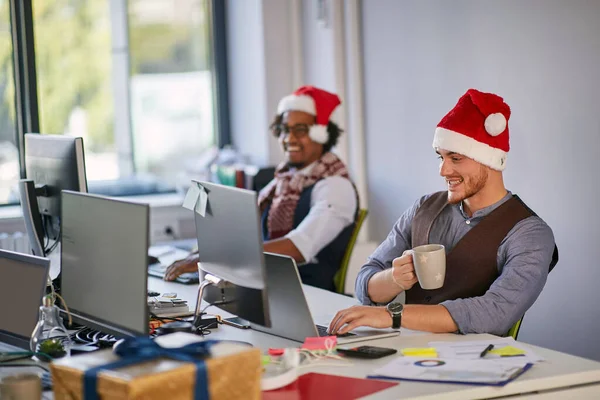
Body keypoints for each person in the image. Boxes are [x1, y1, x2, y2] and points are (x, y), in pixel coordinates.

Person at [328, 88, 558, 336]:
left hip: (473, 365)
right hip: (407, 351)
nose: (443, 170)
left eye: (456, 158)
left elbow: (494, 313)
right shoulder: (423, 209)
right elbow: (365, 283)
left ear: (489, 160)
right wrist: (394, 278)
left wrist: (391, 315)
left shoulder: (530, 233)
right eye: (441, 157)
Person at [165, 85, 359, 291]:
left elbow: (299, 247)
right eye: (285, 129)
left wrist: (220, 257)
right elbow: (243, 224)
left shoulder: (336, 187)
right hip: (263, 287)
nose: (289, 138)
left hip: (306, 295)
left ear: (322, 134)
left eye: (300, 130)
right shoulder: (283, 180)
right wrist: (203, 251)